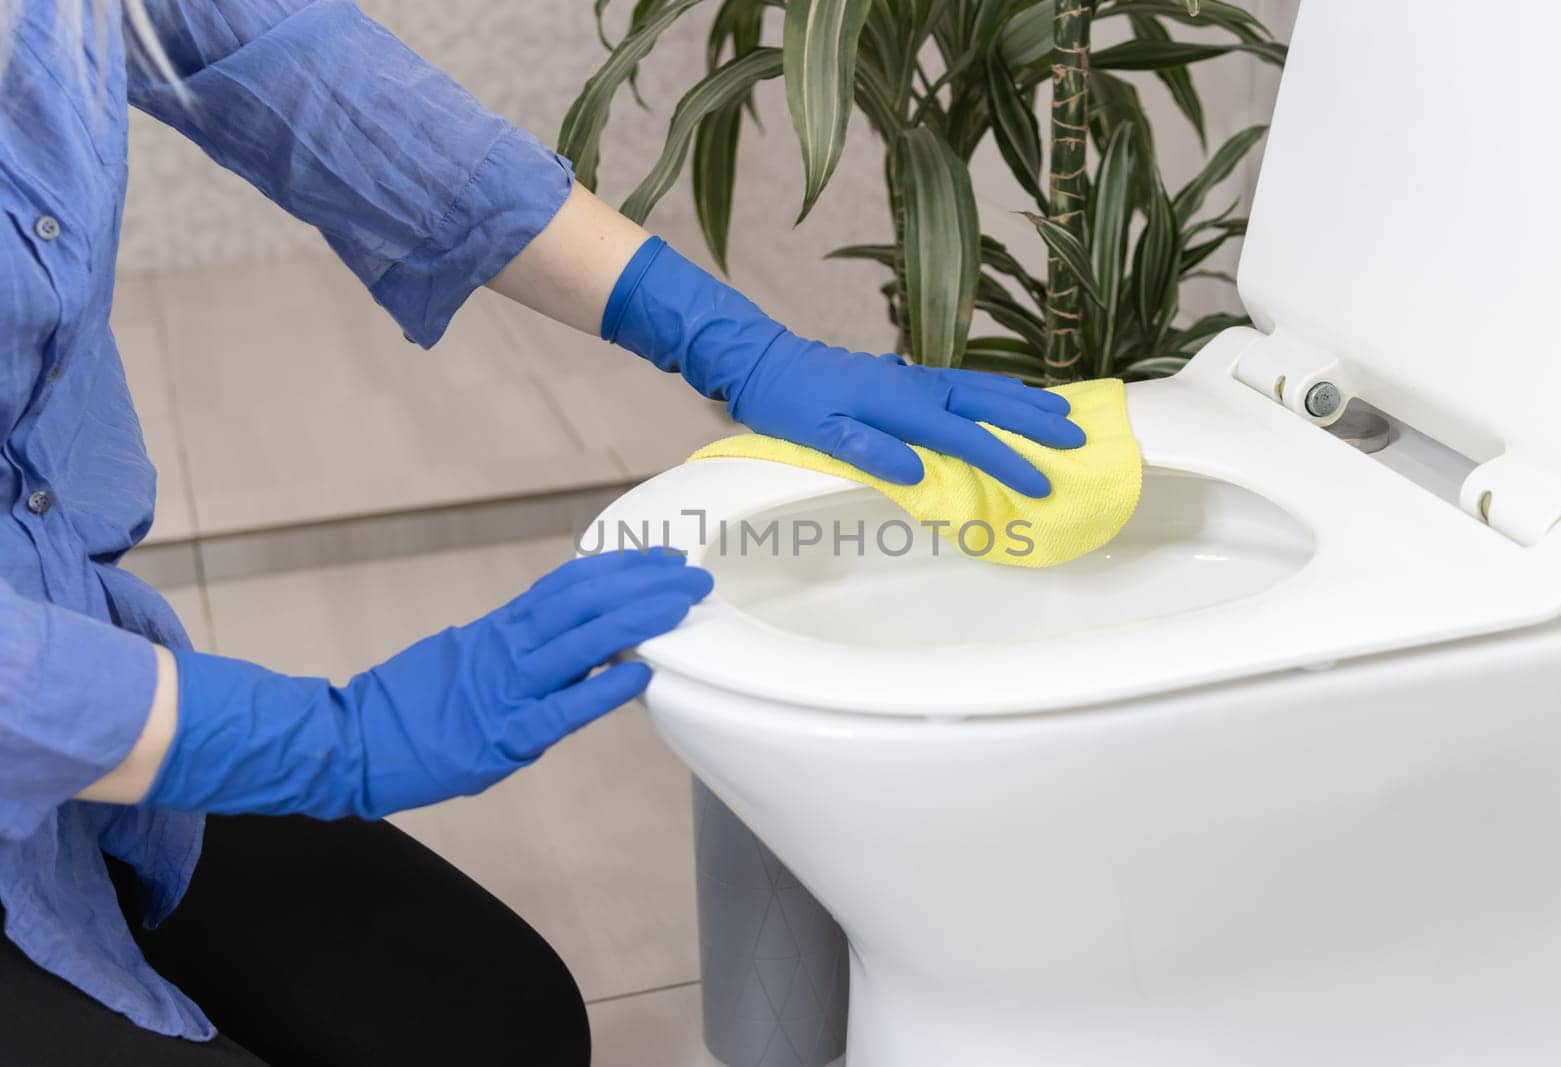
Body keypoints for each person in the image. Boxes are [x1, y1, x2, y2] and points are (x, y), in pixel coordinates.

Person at [0, 1, 1086, 1063]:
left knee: (504, 1024)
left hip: (81, 715)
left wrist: (732, 343)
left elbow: (301, 66)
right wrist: (339, 739)